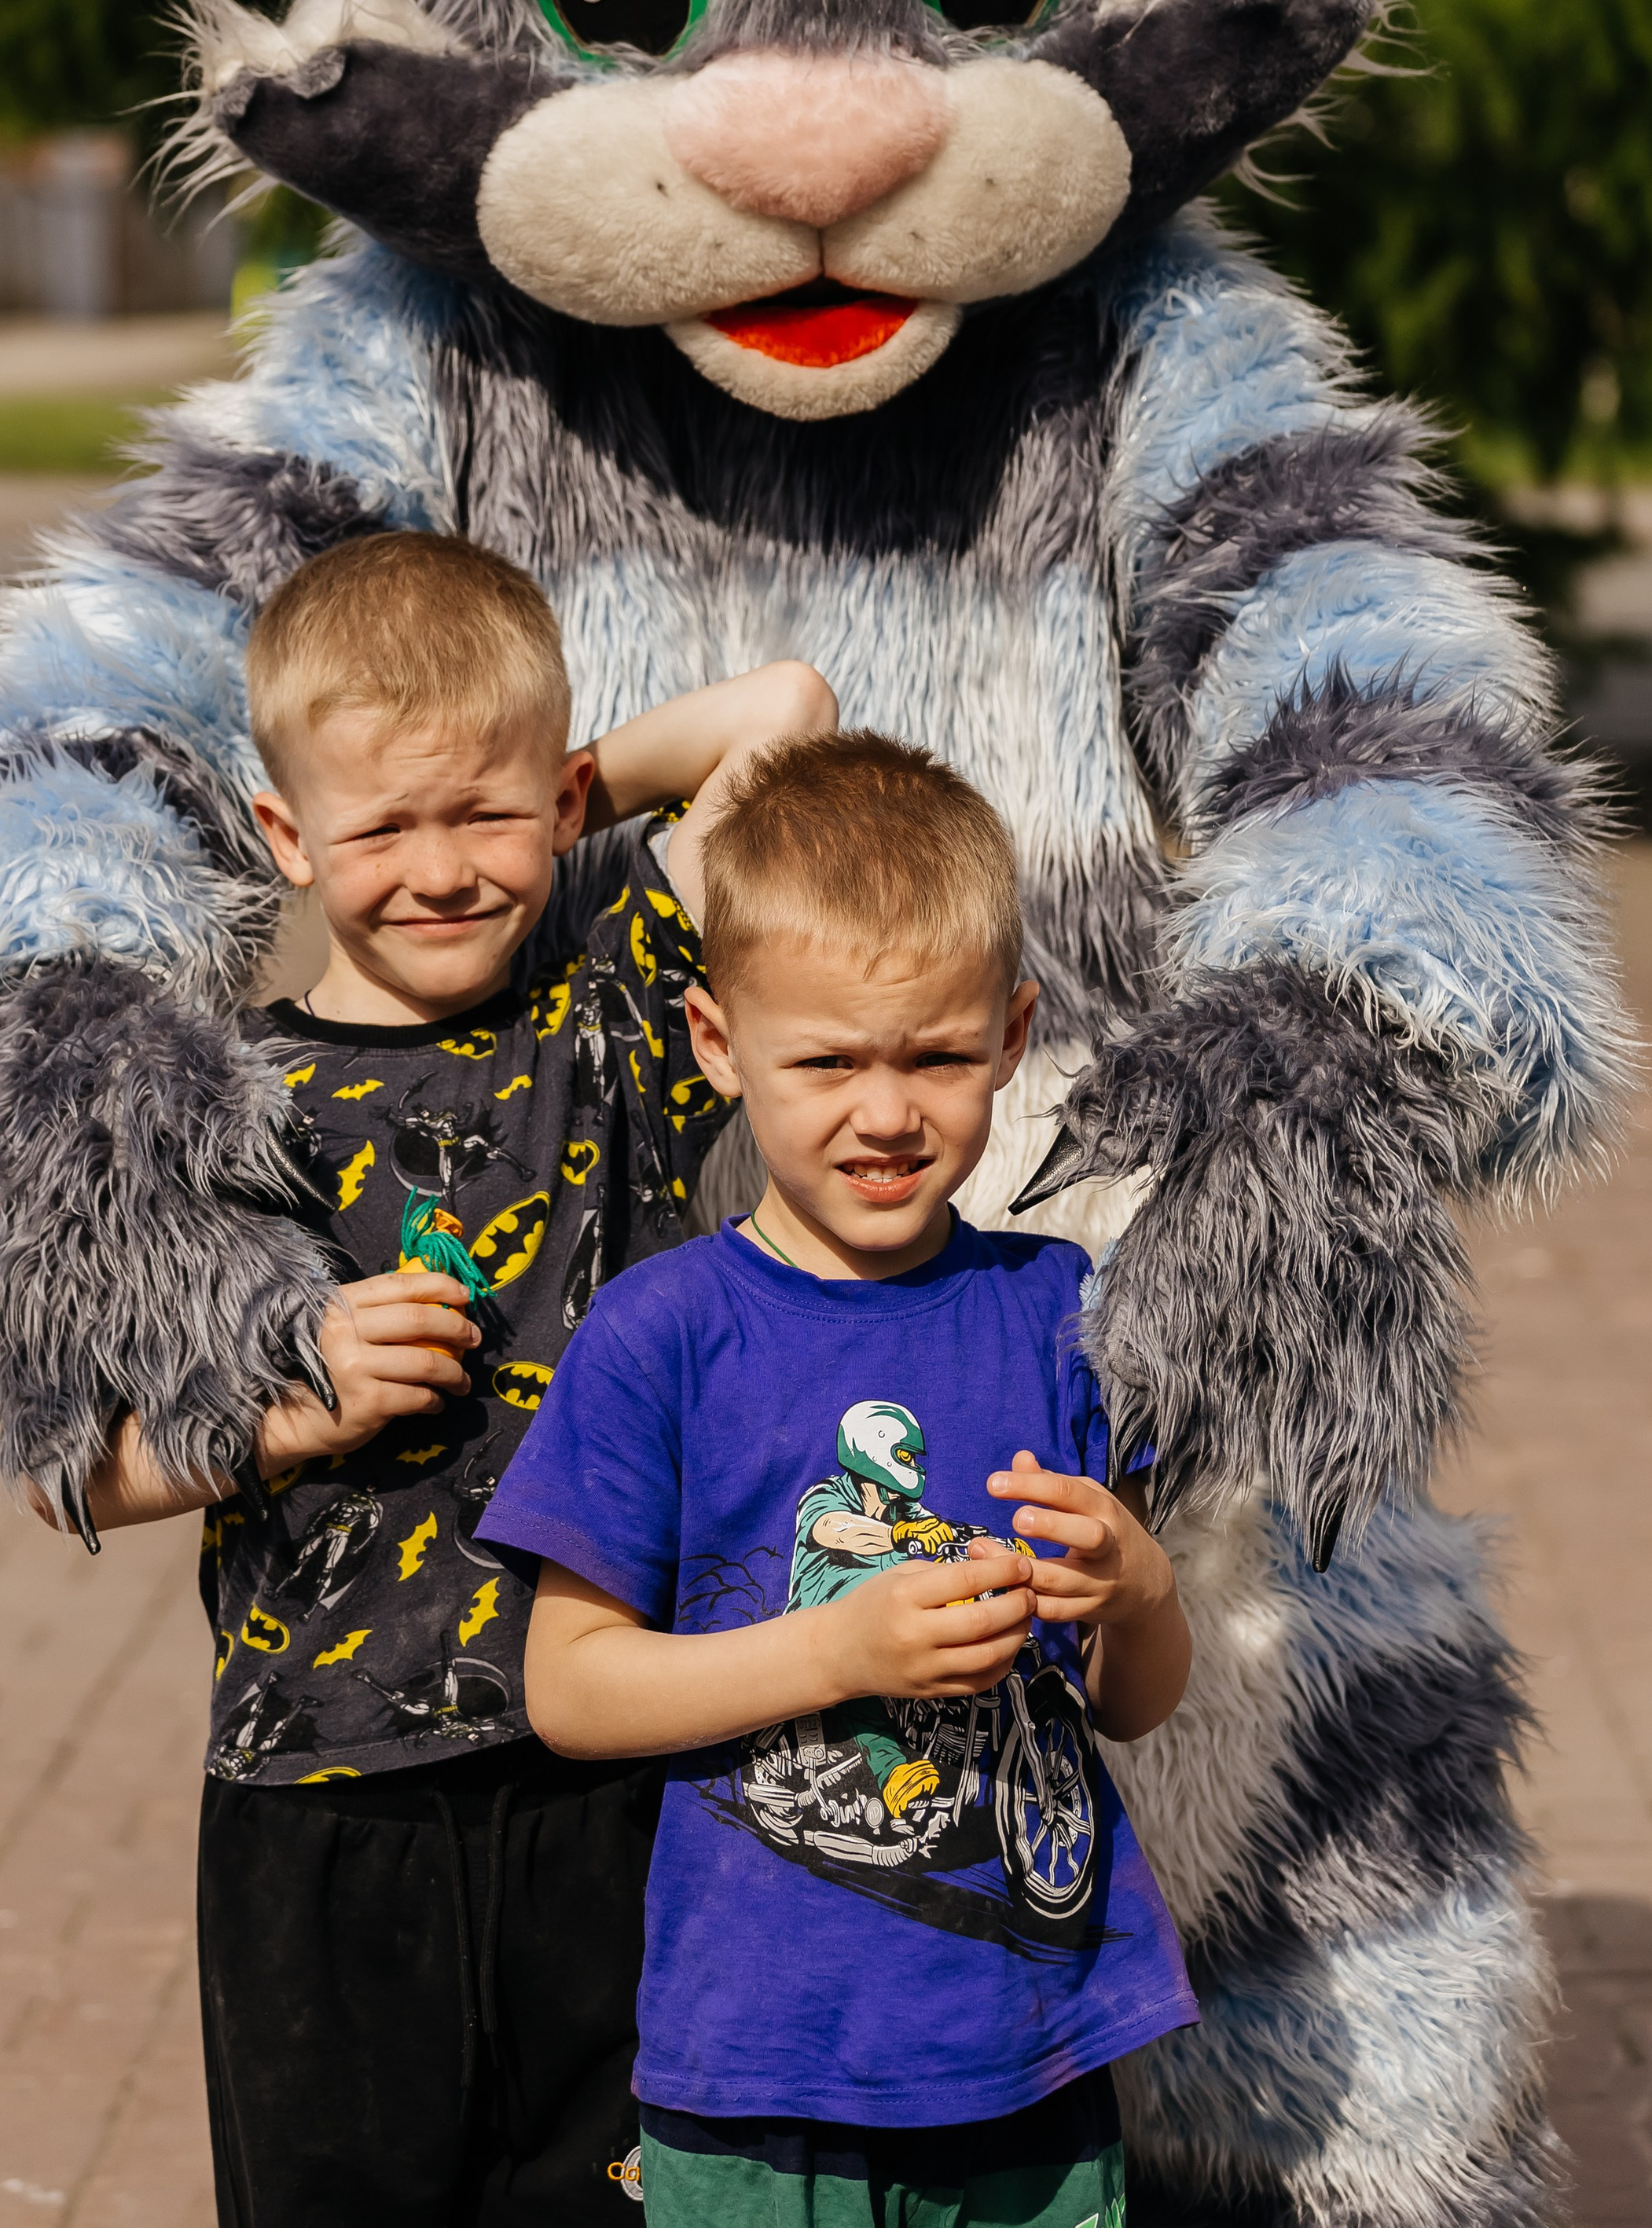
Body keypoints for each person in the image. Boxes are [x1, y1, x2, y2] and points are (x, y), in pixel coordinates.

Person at [55, 525, 835, 2226]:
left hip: (619, 1776)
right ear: (285, 838)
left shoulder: (615, 1005)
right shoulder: (213, 1107)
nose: (440, 867)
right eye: (380, 825)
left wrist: (562, 786)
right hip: (318, 1803)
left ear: (562, 810)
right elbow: (76, 1467)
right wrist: (287, 1405)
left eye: (485, 814)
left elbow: (782, 707)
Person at [480, 732, 1197, 2228]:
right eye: (827, 1061)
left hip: (1033, 2059)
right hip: (757, 2077)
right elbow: (570, 1687)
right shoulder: (664, 1333)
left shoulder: (1059, 1309)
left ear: (1013, 1033)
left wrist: (1140, 1586)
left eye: (936, 1055)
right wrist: (838, 1651)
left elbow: (1128, 1699)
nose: (885, 1113)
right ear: (717, 1042)